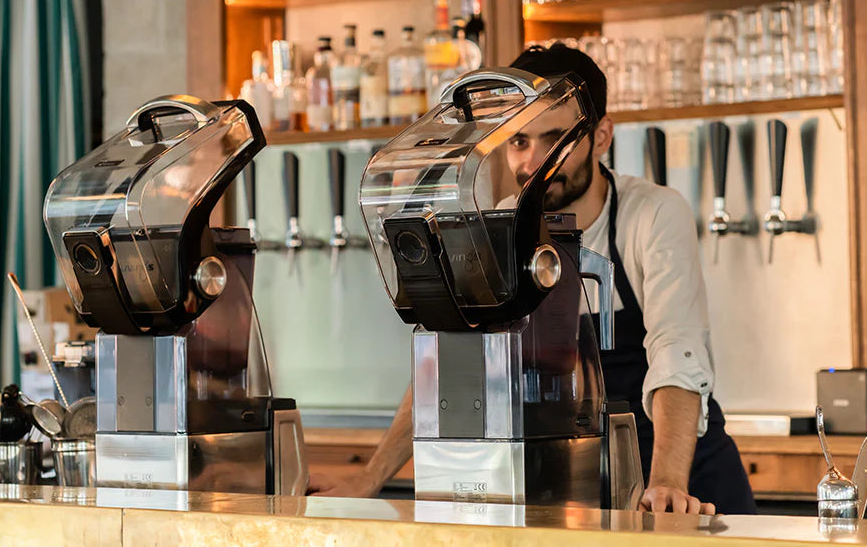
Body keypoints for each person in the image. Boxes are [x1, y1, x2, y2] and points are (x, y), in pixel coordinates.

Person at [307, 43, 757, 516]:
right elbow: (447, 362)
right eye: (519, 141)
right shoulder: (496, 225)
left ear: (601, 136)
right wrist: (369, 477)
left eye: (556, 139)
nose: (534, 161)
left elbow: (676, 353)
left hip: (684, 483)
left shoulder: (653, 213)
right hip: (570, 484)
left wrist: (666, 483)